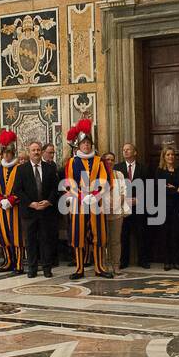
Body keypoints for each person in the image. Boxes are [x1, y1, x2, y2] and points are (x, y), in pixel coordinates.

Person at [61, 119, 112, 279]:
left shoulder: (99, 161)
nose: (86, 146)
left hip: (96, 204)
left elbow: (106, 181)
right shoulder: (72, 162)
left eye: (89, 143)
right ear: (78, 145)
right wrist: (82, 196)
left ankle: (99, 267)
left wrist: (95, 195)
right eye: (83, 143)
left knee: (98, 236)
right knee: (78, 236)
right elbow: (69, 183)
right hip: (78, 205)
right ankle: (79, 268)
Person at [17, 140, 59, 277]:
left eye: (38, 150)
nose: (36, 152)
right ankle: (32, 268)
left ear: (41, 152)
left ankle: (47, 268)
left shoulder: (50, 168)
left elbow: (55, 189)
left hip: (46, 211)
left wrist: (48, 201)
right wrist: (31, 203)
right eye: (33, 150)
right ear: (29, 152)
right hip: (29, 212)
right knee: (30, 241)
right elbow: (17, 190)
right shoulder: (21, 169)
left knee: (46, 240)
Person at [0, 131, 23, 273]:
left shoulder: (20, 169)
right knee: (3, 236)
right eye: (4, 153)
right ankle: (8, 261)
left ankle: (19, 264)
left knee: (17, 236)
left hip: (15, 208)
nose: (7, 155)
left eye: (9, 153)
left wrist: (12, 199)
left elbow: (23, 189)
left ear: (13, 153)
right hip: (1, 208)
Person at [116, 143, 152, 269]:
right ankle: (123, 261)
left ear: (135, 152)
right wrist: (123, 199)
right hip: (123, 207)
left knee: (141, 234)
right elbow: (115, 188)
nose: (125, 152)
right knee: (123, 235)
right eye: (124, 150)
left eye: (128, 149)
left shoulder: (144, 168)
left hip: (139, 207)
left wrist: (139, 200)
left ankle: (143, 260)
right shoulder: (117, 168)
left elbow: (150, 187)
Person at [157, 146, 179, 271]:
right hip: (164, 207)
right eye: (168, 155)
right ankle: (167, 261)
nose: (170, 157)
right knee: (165, 234)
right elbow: (160, 189)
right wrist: (176, 189)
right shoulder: (159, 171)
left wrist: (172, 188)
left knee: (177, 234)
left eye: (172, 154)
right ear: (164, 157)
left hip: (178, 207)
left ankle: (177, 260)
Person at [102, 152, 127, 274]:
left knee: (115, 240)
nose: (110, 162)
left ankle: (116, 265)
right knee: (103, 240)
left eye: (112, 159)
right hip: (102, 212)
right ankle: (103, 265)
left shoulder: (119, 174)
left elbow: (123, 192)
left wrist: (115, 205)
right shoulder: (99, 175)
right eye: (107, 159)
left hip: (116, 212)